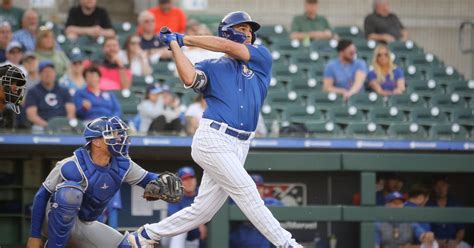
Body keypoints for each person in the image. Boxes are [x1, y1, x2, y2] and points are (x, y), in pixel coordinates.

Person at [128, 11, 302, 248]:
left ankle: (146, 235)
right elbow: (190, 79)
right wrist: (174, 46)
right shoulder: (211, 66)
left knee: (203, 211)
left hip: (241, 144)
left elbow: (226, 46)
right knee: (248, 191)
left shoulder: (261, 57)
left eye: (250, 30)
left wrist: (183, 39)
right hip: (213, 139)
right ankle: (288, 245)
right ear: (228, 31)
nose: (249, 33)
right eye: (242, 29)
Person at [26, 116, 180, 247]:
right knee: (70, 193)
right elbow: (41, 196)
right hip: (53, 217)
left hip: (85, 223)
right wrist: (34, 235)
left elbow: (147, 178)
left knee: (128, 246)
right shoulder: (72, 165)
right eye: (112, 134)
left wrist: (160, 182)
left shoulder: (122, 164)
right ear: (96, 142)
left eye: (119, 134)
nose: (119, 138)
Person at [230, 174, 284, 248]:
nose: (256, 190)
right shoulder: (236, 201)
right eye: (253, 187)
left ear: (263, 189)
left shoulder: (271, 202)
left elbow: (279, 207)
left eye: (259, 187)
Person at [162, 166, 206, 248]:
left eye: (191, 178)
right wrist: (199, 223)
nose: (189, 182)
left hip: (192, 239)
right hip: (170, 235)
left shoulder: (203, 193)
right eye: (185, 179)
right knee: (181, 226)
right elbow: (178, 218)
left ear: (195, 180)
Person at [24, 61, 76, 131]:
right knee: (37, 129)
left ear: (55, 73)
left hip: (63, 125)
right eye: (45, 72)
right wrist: (49, 126)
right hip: (42, 125)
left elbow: (71, 111)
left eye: (51, 71)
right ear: (39, 74)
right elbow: (31, 115)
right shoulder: (33, 92)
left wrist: (66, 124)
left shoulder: (64, 90)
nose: (48, 74)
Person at [427, 177, 470, 248]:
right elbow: (425, 229)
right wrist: (435, 241)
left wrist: (455, 242)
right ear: (434, 188)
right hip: (434, 242)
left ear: (447, 186)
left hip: (454, 242)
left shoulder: (455, 203)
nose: (440, 189)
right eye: (437, 186)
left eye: (443, 185)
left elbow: (461, 229)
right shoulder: (429, 205)